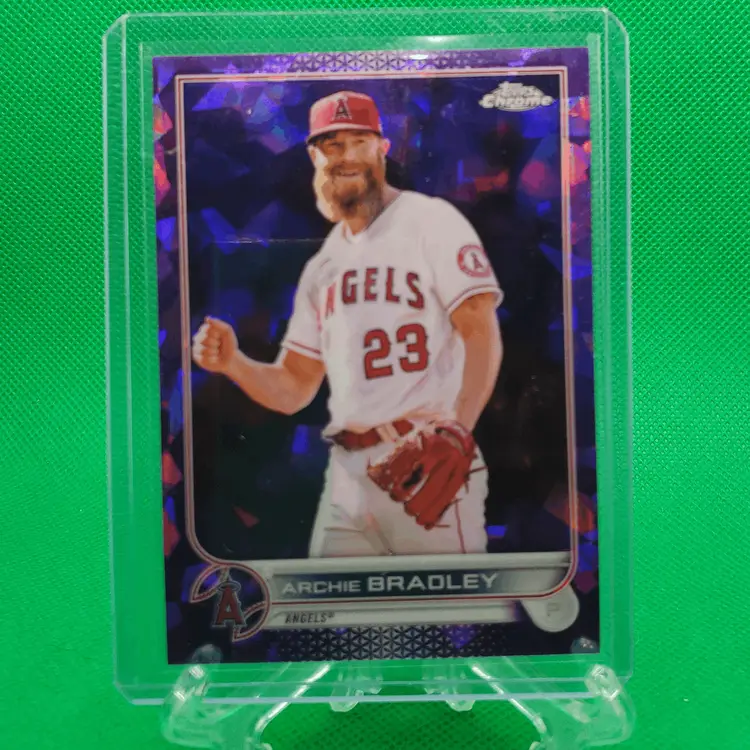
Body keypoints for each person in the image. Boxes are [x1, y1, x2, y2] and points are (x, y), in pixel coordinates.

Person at [192, 90, 504, 557]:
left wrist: (458, 430)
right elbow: (295, 387)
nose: (347, 156)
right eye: (332, 144)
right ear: (314, 157)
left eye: (360, 141)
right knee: (329, 596)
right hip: (347, 474)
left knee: (442, 600)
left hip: (426, 456)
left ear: (383, 147)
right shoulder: (323, 266)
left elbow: (479, 329)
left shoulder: (430, 221)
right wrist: (234, 363)